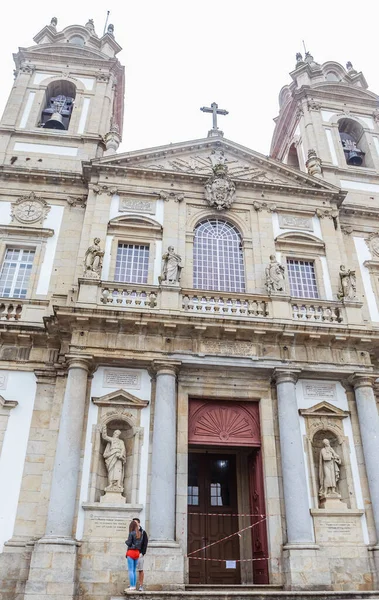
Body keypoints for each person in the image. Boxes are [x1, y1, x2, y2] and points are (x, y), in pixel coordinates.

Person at [125, 520, 143, 590]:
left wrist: (125, 541)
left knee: (130, 570)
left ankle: (132, 586)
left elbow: (129, 543)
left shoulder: (131, 533)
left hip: (131, 552)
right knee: (134, 570)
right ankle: (134, 586)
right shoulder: (140, 534)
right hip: (137, 553)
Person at [133, 517, 148, 591]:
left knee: (140, 570)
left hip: (139, 553)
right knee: (132, 570)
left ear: (139, 523)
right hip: (132, 553)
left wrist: (142, 553)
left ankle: (141, 585)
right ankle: (132, 585)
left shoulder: (143, 532)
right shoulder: (131, 532)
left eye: (135, 522)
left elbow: (145, 543)